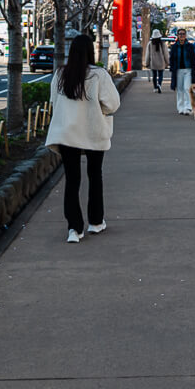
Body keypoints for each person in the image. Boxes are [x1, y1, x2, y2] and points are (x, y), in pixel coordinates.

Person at [46, 32, 120, 243]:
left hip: (67, 133)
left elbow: (53, 103)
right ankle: (96, 222)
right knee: (95, 175)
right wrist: (99, 110)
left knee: (72, 180)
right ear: (90, 51)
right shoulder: (98, 75)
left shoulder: (61, 74)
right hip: (93, 130)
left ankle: (74, 229)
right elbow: (113, 104)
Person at [169, 29, 195, 115]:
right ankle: (180, 107)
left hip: (188, 70)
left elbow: (194, 58)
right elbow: (172, 59)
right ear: (177, 35)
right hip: (178, 70)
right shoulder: (174, 47)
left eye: (183, 34)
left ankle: (188, 107)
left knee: (187, 88)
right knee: (180, 89)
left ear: (186, 35)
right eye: (180, 34)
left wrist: (194, 68)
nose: (181, 35)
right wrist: (172, 68)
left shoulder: (190, 46)